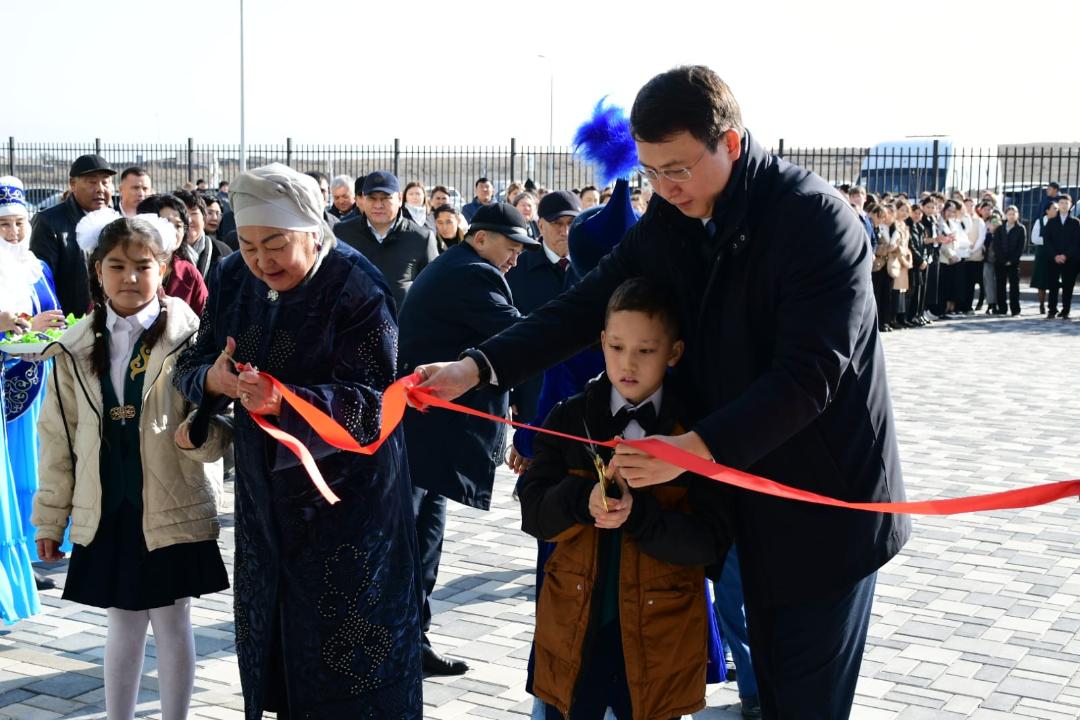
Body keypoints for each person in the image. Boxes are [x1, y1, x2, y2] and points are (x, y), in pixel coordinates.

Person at [417, 65, 909, 719]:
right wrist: (476, 367)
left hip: (821, 507)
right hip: (737, 496)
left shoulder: (815, 221)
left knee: (805, 700)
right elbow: (583, 306)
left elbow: (810, 376)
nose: (665, 187)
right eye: (651, 171)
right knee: (770, 684)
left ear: (730, 143)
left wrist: (692, 448)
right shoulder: (675, 221)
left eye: (678, 168)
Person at [172, 163, 422, 718]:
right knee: (276, 656)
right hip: (264, 506)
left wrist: (288, 399)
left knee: (349, 666)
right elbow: (190, 361)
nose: (262, 261)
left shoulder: (356, 287)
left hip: (350, 513)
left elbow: (378, 403)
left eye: (276, 244)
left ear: (312, 229)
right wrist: (213, 379)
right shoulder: (234, 277)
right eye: (248, 243)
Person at [32, 212, 229, 720]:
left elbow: (220, 428)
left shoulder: (191, 337)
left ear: (163, 268)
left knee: (172, 618)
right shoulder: (74, 349)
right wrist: (51, 519)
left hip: (171, 499)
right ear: (97, 271)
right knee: (121, 618)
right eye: (116, 266)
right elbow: (58, 441)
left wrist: (202, 433)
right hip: (109, 502)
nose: (130, 278)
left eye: (143, 266)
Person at [519, 277, 732, 720]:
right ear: (601, 342)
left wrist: (640, 516)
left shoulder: (695, 432)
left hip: (660, 641)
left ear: (673, 352)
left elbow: (710, 544)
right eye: (616, 347)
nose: (627, 363)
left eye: (646, 350)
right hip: (575, 633)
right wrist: (583, 501)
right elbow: (535, 514)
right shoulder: (570, 418)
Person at [397, 203, 536, 676]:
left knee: (422, 537)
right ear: (479, 237)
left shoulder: (460, 266)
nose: (515, 259)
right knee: (411, 540)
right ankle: (399, 644)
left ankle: (411, 641)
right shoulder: (473, 274)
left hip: (429, 431)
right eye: (511, 248)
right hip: (426, 431)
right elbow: (519, 336)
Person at [0, 175, 60, 603]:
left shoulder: (39, 267)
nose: (15, 232)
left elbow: (50, 313)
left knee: (32, 479)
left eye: (20, 223)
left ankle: (28, 560)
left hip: (38, 379)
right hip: (8, 385)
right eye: (5, 225)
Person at [506, 190, 580, 423]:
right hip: (532, 388)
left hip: (583, 386)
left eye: (571, 223)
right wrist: (510, 392)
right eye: (557, 223)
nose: (565, 230)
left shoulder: (595, 265)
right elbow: (505, 331)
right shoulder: (517, 268)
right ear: (540, 225)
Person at [332, 171, 439, 308]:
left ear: (400, 199)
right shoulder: (342, 233)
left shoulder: (422, 238)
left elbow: (434, 289)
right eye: (372, 198)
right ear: (363, 199)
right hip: (354, 325)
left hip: (402, 326)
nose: (378, 205)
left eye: (385, 198)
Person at [30, 154, 116, 316]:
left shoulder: (118, 222)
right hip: (70, 321)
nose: (100, 189)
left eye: (105, 182)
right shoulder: (48, 222)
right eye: (92, 182)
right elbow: (42, 281)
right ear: (72, 184)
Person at [136, 195, 209, 317]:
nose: (174, 231)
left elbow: (206, 320)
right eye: (167, 223)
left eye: (179, 225)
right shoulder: (128, 267)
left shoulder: (188, 273)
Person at [174, 190, 233, 280]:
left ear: (203, 217)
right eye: (182, 213)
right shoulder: (165, 253)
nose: (189, 220)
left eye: (194, 213)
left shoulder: (223, 251)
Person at [1044, 194, 1080, 320]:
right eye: (1061, 203)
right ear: (1058, 205)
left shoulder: (1075, 223)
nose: (1064, 205)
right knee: (1053, 285)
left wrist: (1065, 255)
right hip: (1054, 259)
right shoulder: (1051, 222)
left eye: (1066, 203)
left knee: (1068, 286)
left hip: (1070, 260)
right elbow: (1047, 240)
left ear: (1070, 205)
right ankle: (1052, 310)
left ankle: (1065, 310)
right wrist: (1055, 255)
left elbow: (1076, 242)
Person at [991, 205, 1025, 316]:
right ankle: (1002, 309)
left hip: (1013, 262)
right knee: (1000, 285)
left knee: (1014, 286)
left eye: (1014, 214)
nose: (1011, 216)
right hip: (1000, 261)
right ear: (1006, 215)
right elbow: (996, 245)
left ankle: (1015, 309)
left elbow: (1021, 247)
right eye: (1009, 214)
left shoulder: (1020, 228)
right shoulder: (1000, 229)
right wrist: (1003, 259)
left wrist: (1012, 260)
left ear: (1017, 215)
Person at [1029, 201, 1056, 315]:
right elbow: (1034, 239)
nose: (1056, 211)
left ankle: (1052, 305)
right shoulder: (1039, 222)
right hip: (1042, 254)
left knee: (1054, 281)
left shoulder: (1058, 222)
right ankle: (1041, 304)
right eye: (1054, 208)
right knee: (1041, 281)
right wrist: (1049, 241)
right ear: (1047, 210)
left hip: (1055, 254)